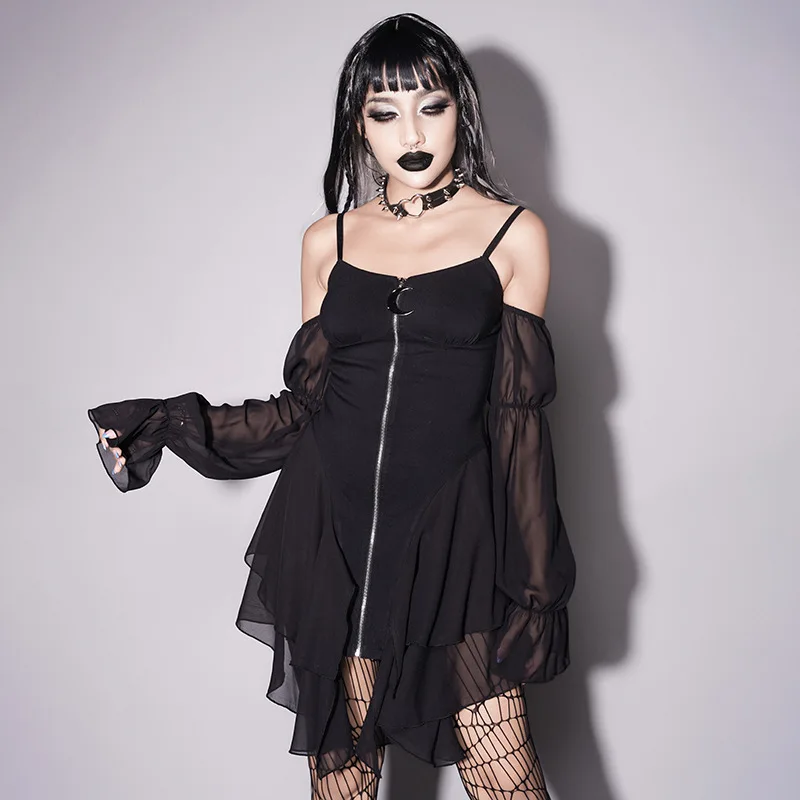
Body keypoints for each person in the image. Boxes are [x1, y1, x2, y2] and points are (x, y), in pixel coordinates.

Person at [87, 13, 576, 800]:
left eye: (432, 106)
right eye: (386, 112)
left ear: (461, 110)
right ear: (359, 125)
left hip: (452, 547)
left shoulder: (512, 235)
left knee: (507, 779)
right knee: (341, 786)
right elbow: (305, 410)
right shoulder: (329, 241)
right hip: (332, 541)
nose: (411, 132)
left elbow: (519, 430)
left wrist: (537, 586)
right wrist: (170, 423)